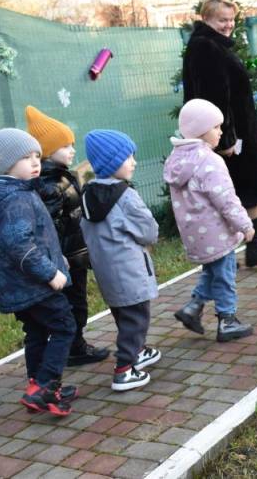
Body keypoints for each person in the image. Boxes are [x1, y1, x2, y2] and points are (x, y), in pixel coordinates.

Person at [0, 129, 76, 416]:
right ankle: (45, 386)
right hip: (35, 285)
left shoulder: (13, 192)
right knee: (63, 326)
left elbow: (36, 238)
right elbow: (20, 246)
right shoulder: (15, 199)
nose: (35, 163)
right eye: (26, 157)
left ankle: (39, 388)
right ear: (7, 164)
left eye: (36, 156)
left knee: (36, 332)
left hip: (21, 285)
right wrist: (50, 273)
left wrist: (58, 260)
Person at [181, 0, 257, 269]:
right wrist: (225, 140)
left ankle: (253, 248)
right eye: (222, 20)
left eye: (231, 20)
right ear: (207, 19)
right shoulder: (206, 48)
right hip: (225, 136)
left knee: (245, 189)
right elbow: (214, 97)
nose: (228, 26)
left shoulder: (215, 45)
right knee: (229, 191)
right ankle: (229, 253)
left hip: (236, 131)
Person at [166, 99, 256, 342]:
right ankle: (227, 321)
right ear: (201, 130)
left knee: (212, 271)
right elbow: (226, 199)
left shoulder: (177, 159)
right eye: (216, 127)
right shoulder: (209, 161)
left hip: (196, 234)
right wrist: (245, 225)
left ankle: (192, 308)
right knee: (225, 276)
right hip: (218, 233)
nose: (221, 132)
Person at [26, 106, 110, 367]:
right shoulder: (51, 185)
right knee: (75, 305)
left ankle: (74, 344)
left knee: (77, 303)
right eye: (66, 145)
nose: (72, 150)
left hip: (74, 254)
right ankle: (74, 347)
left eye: (73, 144)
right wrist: (58, 255)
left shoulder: (62, 177)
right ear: (49, 151)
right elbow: (47, 226)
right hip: (66, 258)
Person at [80, 130, 161, 391]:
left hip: (107, 272)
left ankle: (137, 350)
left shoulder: (88, 195)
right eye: (128, 157)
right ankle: (125, 369)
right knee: (137, 318)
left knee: (123, 315)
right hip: (129, 269)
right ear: (112, 162)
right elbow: (148, 230)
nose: (134, 162)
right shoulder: (125, 196)